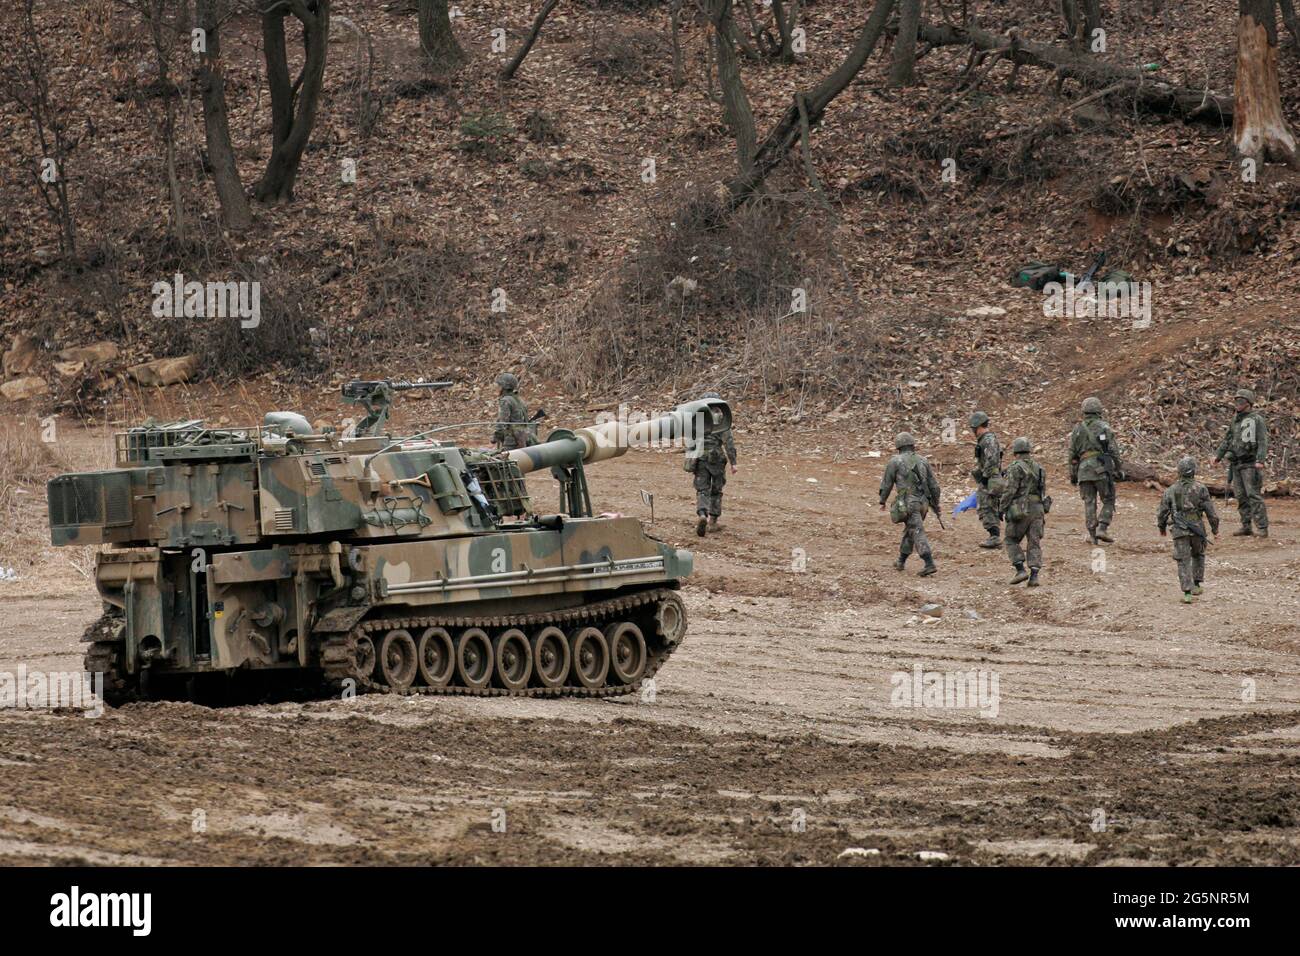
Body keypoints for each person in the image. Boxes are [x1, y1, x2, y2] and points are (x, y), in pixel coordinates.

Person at [1157, 456, 1220, 603]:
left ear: (1179, 471)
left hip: (1179, 530)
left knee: (1183, 560)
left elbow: (1162, 513)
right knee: (1198, 555)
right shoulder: (1201, 489)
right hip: (1197, 529)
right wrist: (1215, 530)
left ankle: (1187, 593)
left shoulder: (1172, 490)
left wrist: (1162, 527)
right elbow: (1211, 514)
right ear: (1194, 472)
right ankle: (1197, 585)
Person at [879, 432, 940, 577]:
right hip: (923, 503)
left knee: (916, 530)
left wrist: (882, 500)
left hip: (908, 503)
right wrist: (936, 504)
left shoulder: (895, 461)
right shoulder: (923, 460)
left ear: (898, 447)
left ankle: (929, 562)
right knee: (911, 530)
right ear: (913, 445)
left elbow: (887, 483)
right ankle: (901, 560)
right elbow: (934, 486)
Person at [1213, 387, 1269, 538]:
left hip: (1250, 463)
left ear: (1249, 403)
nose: (1238, 403)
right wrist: (1218, 456)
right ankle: (1246, 526)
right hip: (1236, 463)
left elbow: (1263, 440)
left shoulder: (1257, 419)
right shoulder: (1235, 420)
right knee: (1240, 496)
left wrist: (1260, 459)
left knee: (1253, 495)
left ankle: (1262, 528)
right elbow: (1228, 439)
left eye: (1241, 401)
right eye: (1236, 401)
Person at [1069, 396, 1123, 544]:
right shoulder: (1104, 427)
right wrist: (1119, 468)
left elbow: (1072, 454)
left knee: (1089, 502)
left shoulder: (1077, 429)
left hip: (1083, 470)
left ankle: (1093, 536)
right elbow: (1113, 450)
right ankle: (1103, 527)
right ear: (1099, 410)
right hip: (1101, 468)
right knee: (1109, 498)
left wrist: (1073, 474)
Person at [1000, 436, 1048, 587]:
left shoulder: (1015, 467)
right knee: (1034, 541)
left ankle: (1020, 570)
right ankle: (1034, 576)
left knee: (1011, 539)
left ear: (1016, 452)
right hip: (1038, 508)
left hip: (1020, 509)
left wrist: (1001, 508)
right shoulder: (1040, 468)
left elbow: (1009, 491)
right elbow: (1042, 490)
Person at [687, 392, 737, 536]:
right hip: (717, 459)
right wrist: (734, 462)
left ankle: (702, 514)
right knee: (716, 491)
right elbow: (729, 442)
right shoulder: (722, 419)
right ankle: (712, 522)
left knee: (702, 489)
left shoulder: (697, 418)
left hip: (700, 458)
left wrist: (690, 460)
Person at [969, 411, 1005, 549]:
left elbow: (992, 460)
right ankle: (994, 535)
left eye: (973, 429)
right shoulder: (986, 439)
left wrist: (984, 478)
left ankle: (994, 537)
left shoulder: (988, 440)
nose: (973, 432)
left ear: (978, 426)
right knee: (991, 505)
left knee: (986, 506)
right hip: (992, 477)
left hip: (991, 479)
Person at [493, 373, 531, 451]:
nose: (496, 387)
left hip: (511, 441)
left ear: (504, 387)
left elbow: (503, 423)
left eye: (499, 385)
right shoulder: (519, 400)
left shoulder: (505, 401)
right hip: (524, 438)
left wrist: (496, 437)